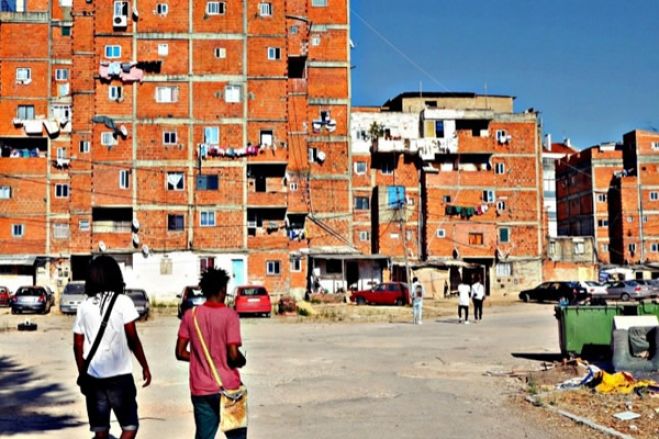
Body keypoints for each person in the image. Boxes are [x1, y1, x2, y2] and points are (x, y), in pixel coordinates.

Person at [73, 255, 151, 439]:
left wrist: (83, 372)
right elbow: (133, 338)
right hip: (120, 378)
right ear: (115, 275)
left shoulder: (84, 306)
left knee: (100, 431)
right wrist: (145, 366)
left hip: (93, 378)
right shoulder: (123, 302)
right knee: (130, 426)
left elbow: (77, 344)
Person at [176, 268, 247, 439]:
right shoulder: (230, 316)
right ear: (223, 289)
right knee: (236, 436)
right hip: (228, 388)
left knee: (204, 436)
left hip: (201, 389)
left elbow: (179, 352)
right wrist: (241, 360)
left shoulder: (190, 315)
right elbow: (232, 354)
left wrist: (201, 360)